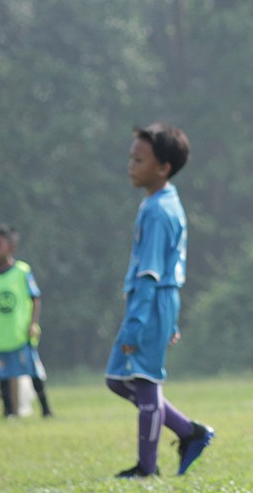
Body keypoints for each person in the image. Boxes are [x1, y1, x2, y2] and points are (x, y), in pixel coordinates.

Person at [105, 123, 214, 478]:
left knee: (145, 383)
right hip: (155, 304)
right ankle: (188, 431)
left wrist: (138, 324)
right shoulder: (159, 201)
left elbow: (152, 273)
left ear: (163, 167)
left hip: (150, 305)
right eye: (131, 158)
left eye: (139, 159)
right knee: (118, 380)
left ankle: (146, 469)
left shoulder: (158, 211)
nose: (130, 165)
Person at [0, 225, 54, 418]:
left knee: (33, 371)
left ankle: (46, 410)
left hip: (21, 334)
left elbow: (35, 298)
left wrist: (33, 323)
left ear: (10, 247)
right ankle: (8, 412)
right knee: (3, 375)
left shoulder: (22, 271)